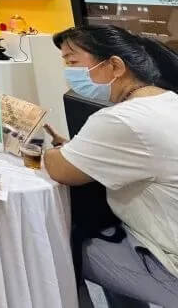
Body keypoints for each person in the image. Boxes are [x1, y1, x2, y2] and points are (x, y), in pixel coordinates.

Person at [43, 26, 178, 308]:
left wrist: (53, 151)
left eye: (72, 62)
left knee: (58, 245)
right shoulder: (167, 100)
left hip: (171, 265)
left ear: (115, 65)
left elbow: (59, 168)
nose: (69, 73)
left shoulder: (122, 119)